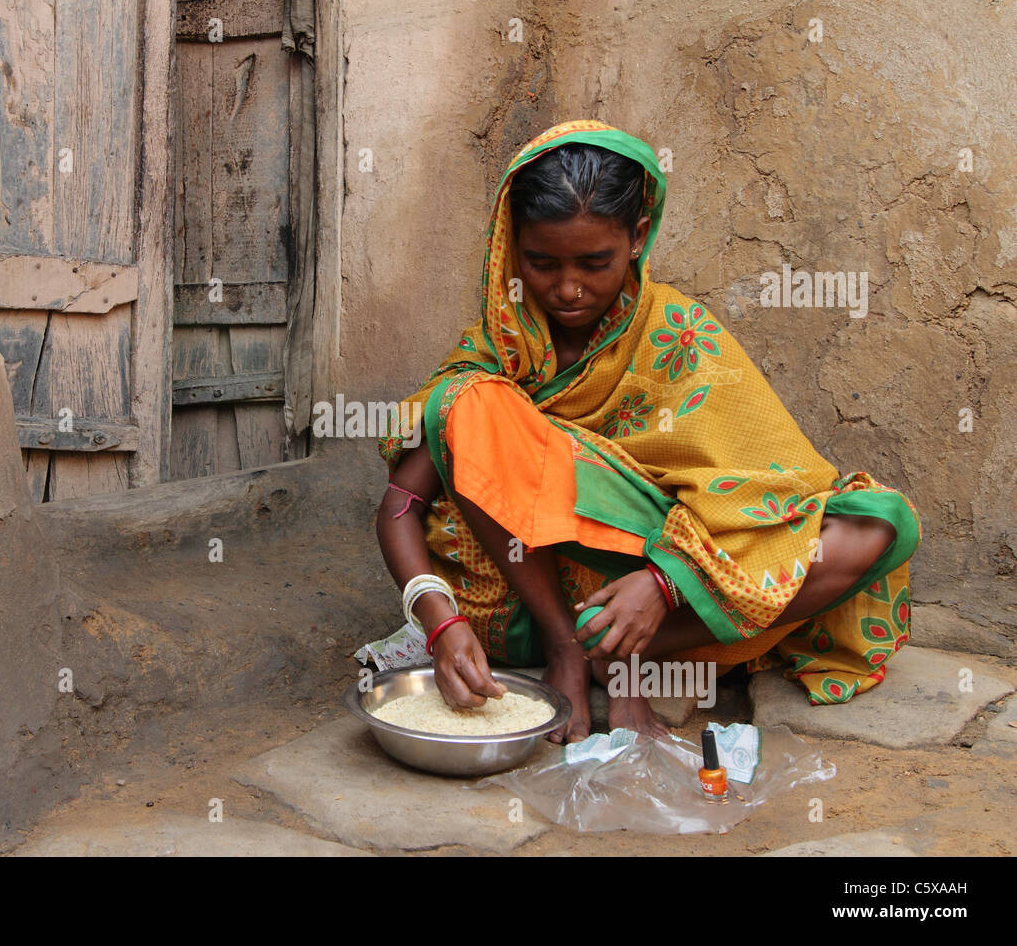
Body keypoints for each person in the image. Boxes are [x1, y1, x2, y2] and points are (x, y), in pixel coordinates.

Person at [372, 120, 921, 744]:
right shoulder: (496, 351)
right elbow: (400, 506)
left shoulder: (680, 334)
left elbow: (770, 490)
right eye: (542, 263)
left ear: (637, 237)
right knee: (466, 402)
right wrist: (439, 623)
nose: (568, 287)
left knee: (872, 526)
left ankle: (622, 652)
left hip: (660, 603)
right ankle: (570, 651)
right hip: (518, 603)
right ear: (510, 248)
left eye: (594, 262)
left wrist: (665, 581)